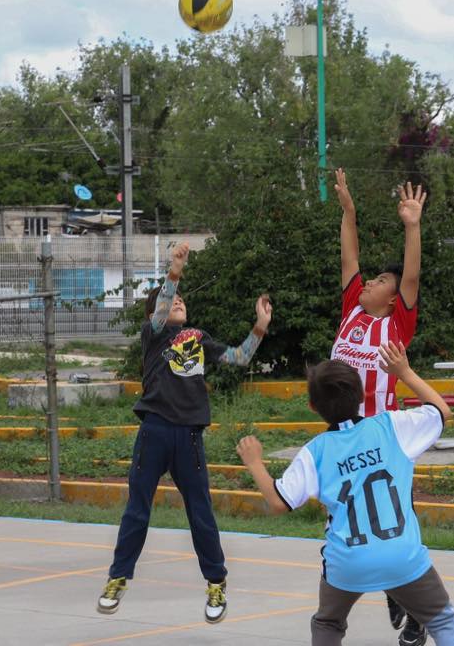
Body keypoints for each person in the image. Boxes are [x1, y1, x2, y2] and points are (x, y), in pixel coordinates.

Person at [237, 340, 454, 646]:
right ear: (361, 395)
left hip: (348, 560)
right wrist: (405, 372)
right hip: (401, 554)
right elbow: (442, 411)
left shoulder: (315, 452)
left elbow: (279, 502)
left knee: (329, 623)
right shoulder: (391, 427)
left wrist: (255, 463)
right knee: (443, 621)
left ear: (312, 407)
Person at [99, 241, 273, 625]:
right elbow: (163, 304)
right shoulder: (155, 333)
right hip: (155, 432)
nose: (177, 302)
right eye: (170, 301)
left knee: (201, 513)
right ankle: (118, 577)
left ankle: (216, 582)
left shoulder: (198, 337)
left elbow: (239, 358)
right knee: (137, 510)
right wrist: (174, 270)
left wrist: (259, 327)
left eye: (180, 300)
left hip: (189, 438)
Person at [331, 169, 429, 645]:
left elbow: (411, 274)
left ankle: (416, 611)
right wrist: (349, 210)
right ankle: (356, 606)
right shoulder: (352, 309)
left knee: (395, 527)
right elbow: (350, 252)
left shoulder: (398, 328)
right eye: (371, 277)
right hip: (343, 440)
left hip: (384, 438)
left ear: (393, 299)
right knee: (347, 528)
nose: (370, 280)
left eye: (381, 280)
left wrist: (413, 225)